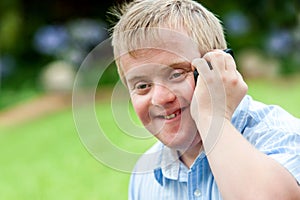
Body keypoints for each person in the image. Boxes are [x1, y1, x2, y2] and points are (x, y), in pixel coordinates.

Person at [110, 0, 300, 199]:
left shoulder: (283, 137)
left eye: (176, 74)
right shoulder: (145, 173)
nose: (159, 98)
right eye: (142, 86)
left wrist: (213, 117)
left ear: (218, 68)